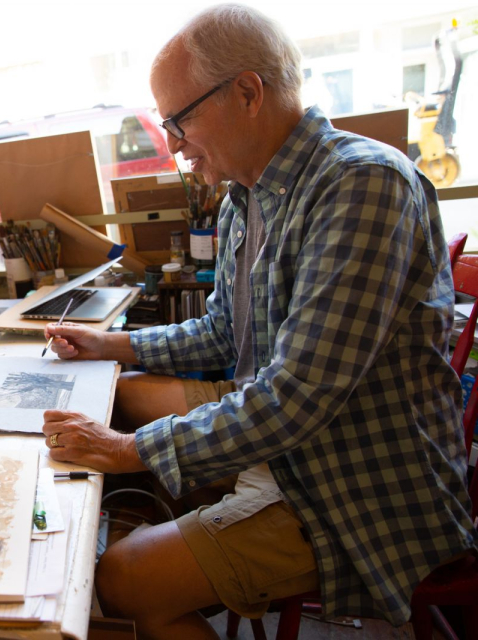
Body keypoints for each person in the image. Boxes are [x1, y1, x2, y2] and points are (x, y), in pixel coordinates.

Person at [42, 4, 476, 639]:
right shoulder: (246, 198)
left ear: (246, 92)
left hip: (359, 483)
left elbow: (296, 399)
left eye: (178, 121)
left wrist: (130, 453)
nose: (174, 146)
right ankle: (207, 540)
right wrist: (112, 343)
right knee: (123, 399)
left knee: (121, 578)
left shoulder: (361, 185)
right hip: (297, 447)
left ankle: (196, 549)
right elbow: (222, 332)